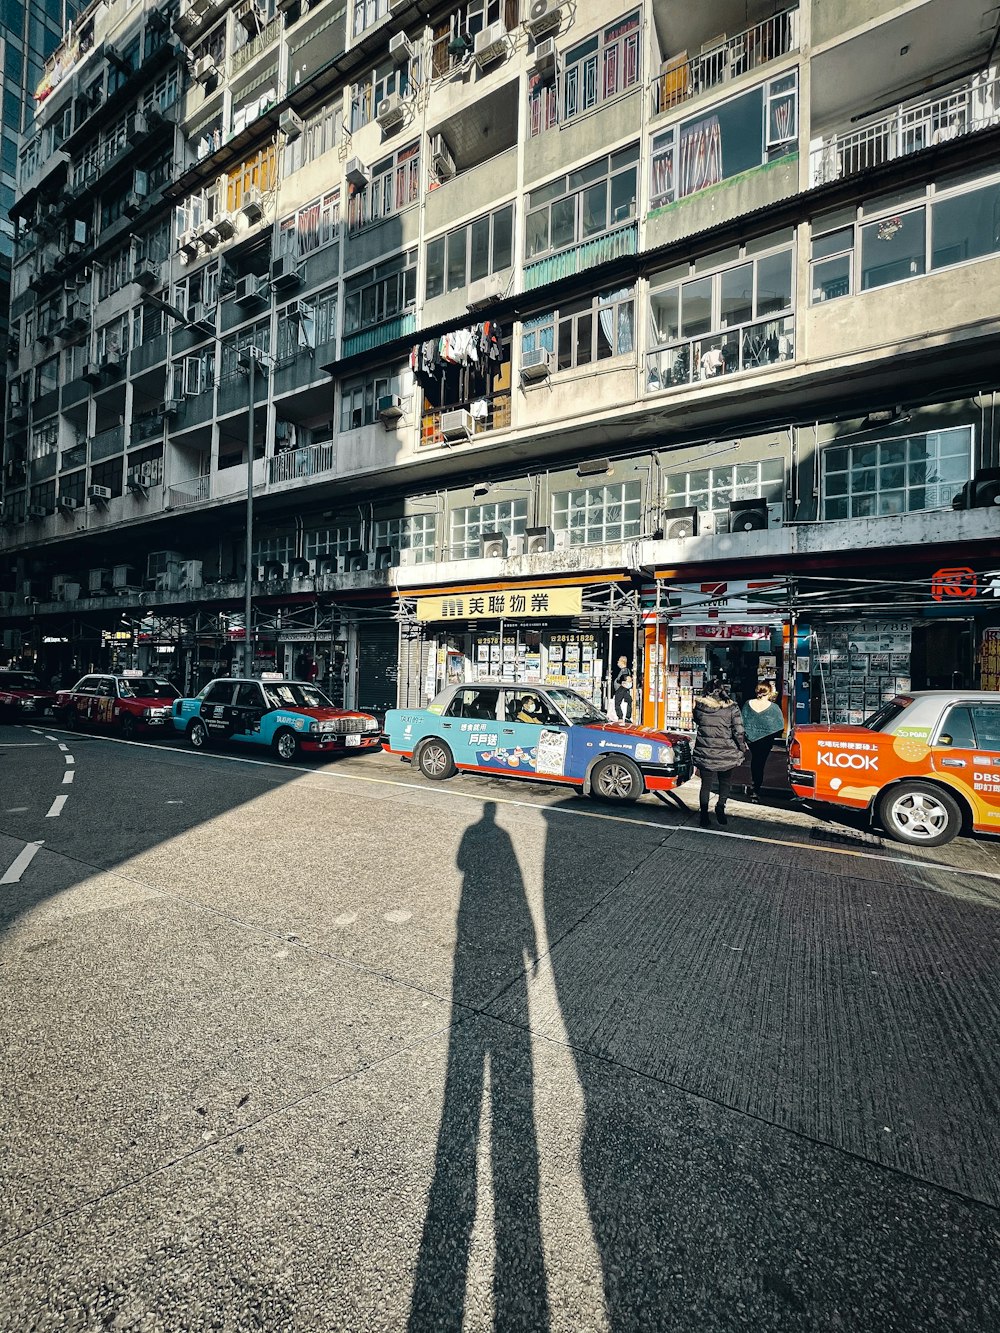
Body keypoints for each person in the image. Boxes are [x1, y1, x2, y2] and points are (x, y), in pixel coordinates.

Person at [692, 679, 749, 827]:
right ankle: (720, 807)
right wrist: (742, 747)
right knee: (725, 782)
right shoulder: (732, 707)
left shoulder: (700, 706)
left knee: (706, 785)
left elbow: (697, 721)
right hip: (726, 751)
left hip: (705, 750)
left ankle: (704, 815)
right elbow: (739, 732)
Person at [741, 683, 784, 802]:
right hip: (766, 739)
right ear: (769, 692)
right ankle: (756, 788)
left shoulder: (748, 704)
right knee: (760, 762)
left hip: (752, 739)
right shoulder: (774, 707)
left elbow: (742, 720)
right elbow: (780, 725)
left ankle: (754, 787)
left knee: (755, 760)